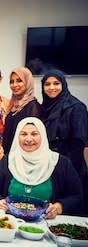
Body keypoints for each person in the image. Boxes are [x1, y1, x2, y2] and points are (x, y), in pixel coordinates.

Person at [0, 117, 82, 218]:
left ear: (43, 136)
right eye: (23, 134)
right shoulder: (8, 161)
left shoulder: (60, 163)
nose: (28, 139)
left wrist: (59, 207)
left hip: (47, 223)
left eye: (34, 134)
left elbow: (77, 196)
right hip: (10, 221)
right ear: (17, 137)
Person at [41, 70, 88, 213]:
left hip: (70, 165)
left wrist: (66, 166)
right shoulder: (45, 107)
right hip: (50, 163)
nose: (51, 87)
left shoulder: (76, 107)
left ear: (63, 85)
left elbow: (81, 142)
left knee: (67, 205)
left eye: (56, 83)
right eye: (47, 84)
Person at [2, 67, 43, 154]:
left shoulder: (33, 107)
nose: (15, 85)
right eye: (12, 81)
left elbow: (32, 138)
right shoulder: (12, 104)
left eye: (19, 81)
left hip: (23, 157)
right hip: (9, 155)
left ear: (27, 82)